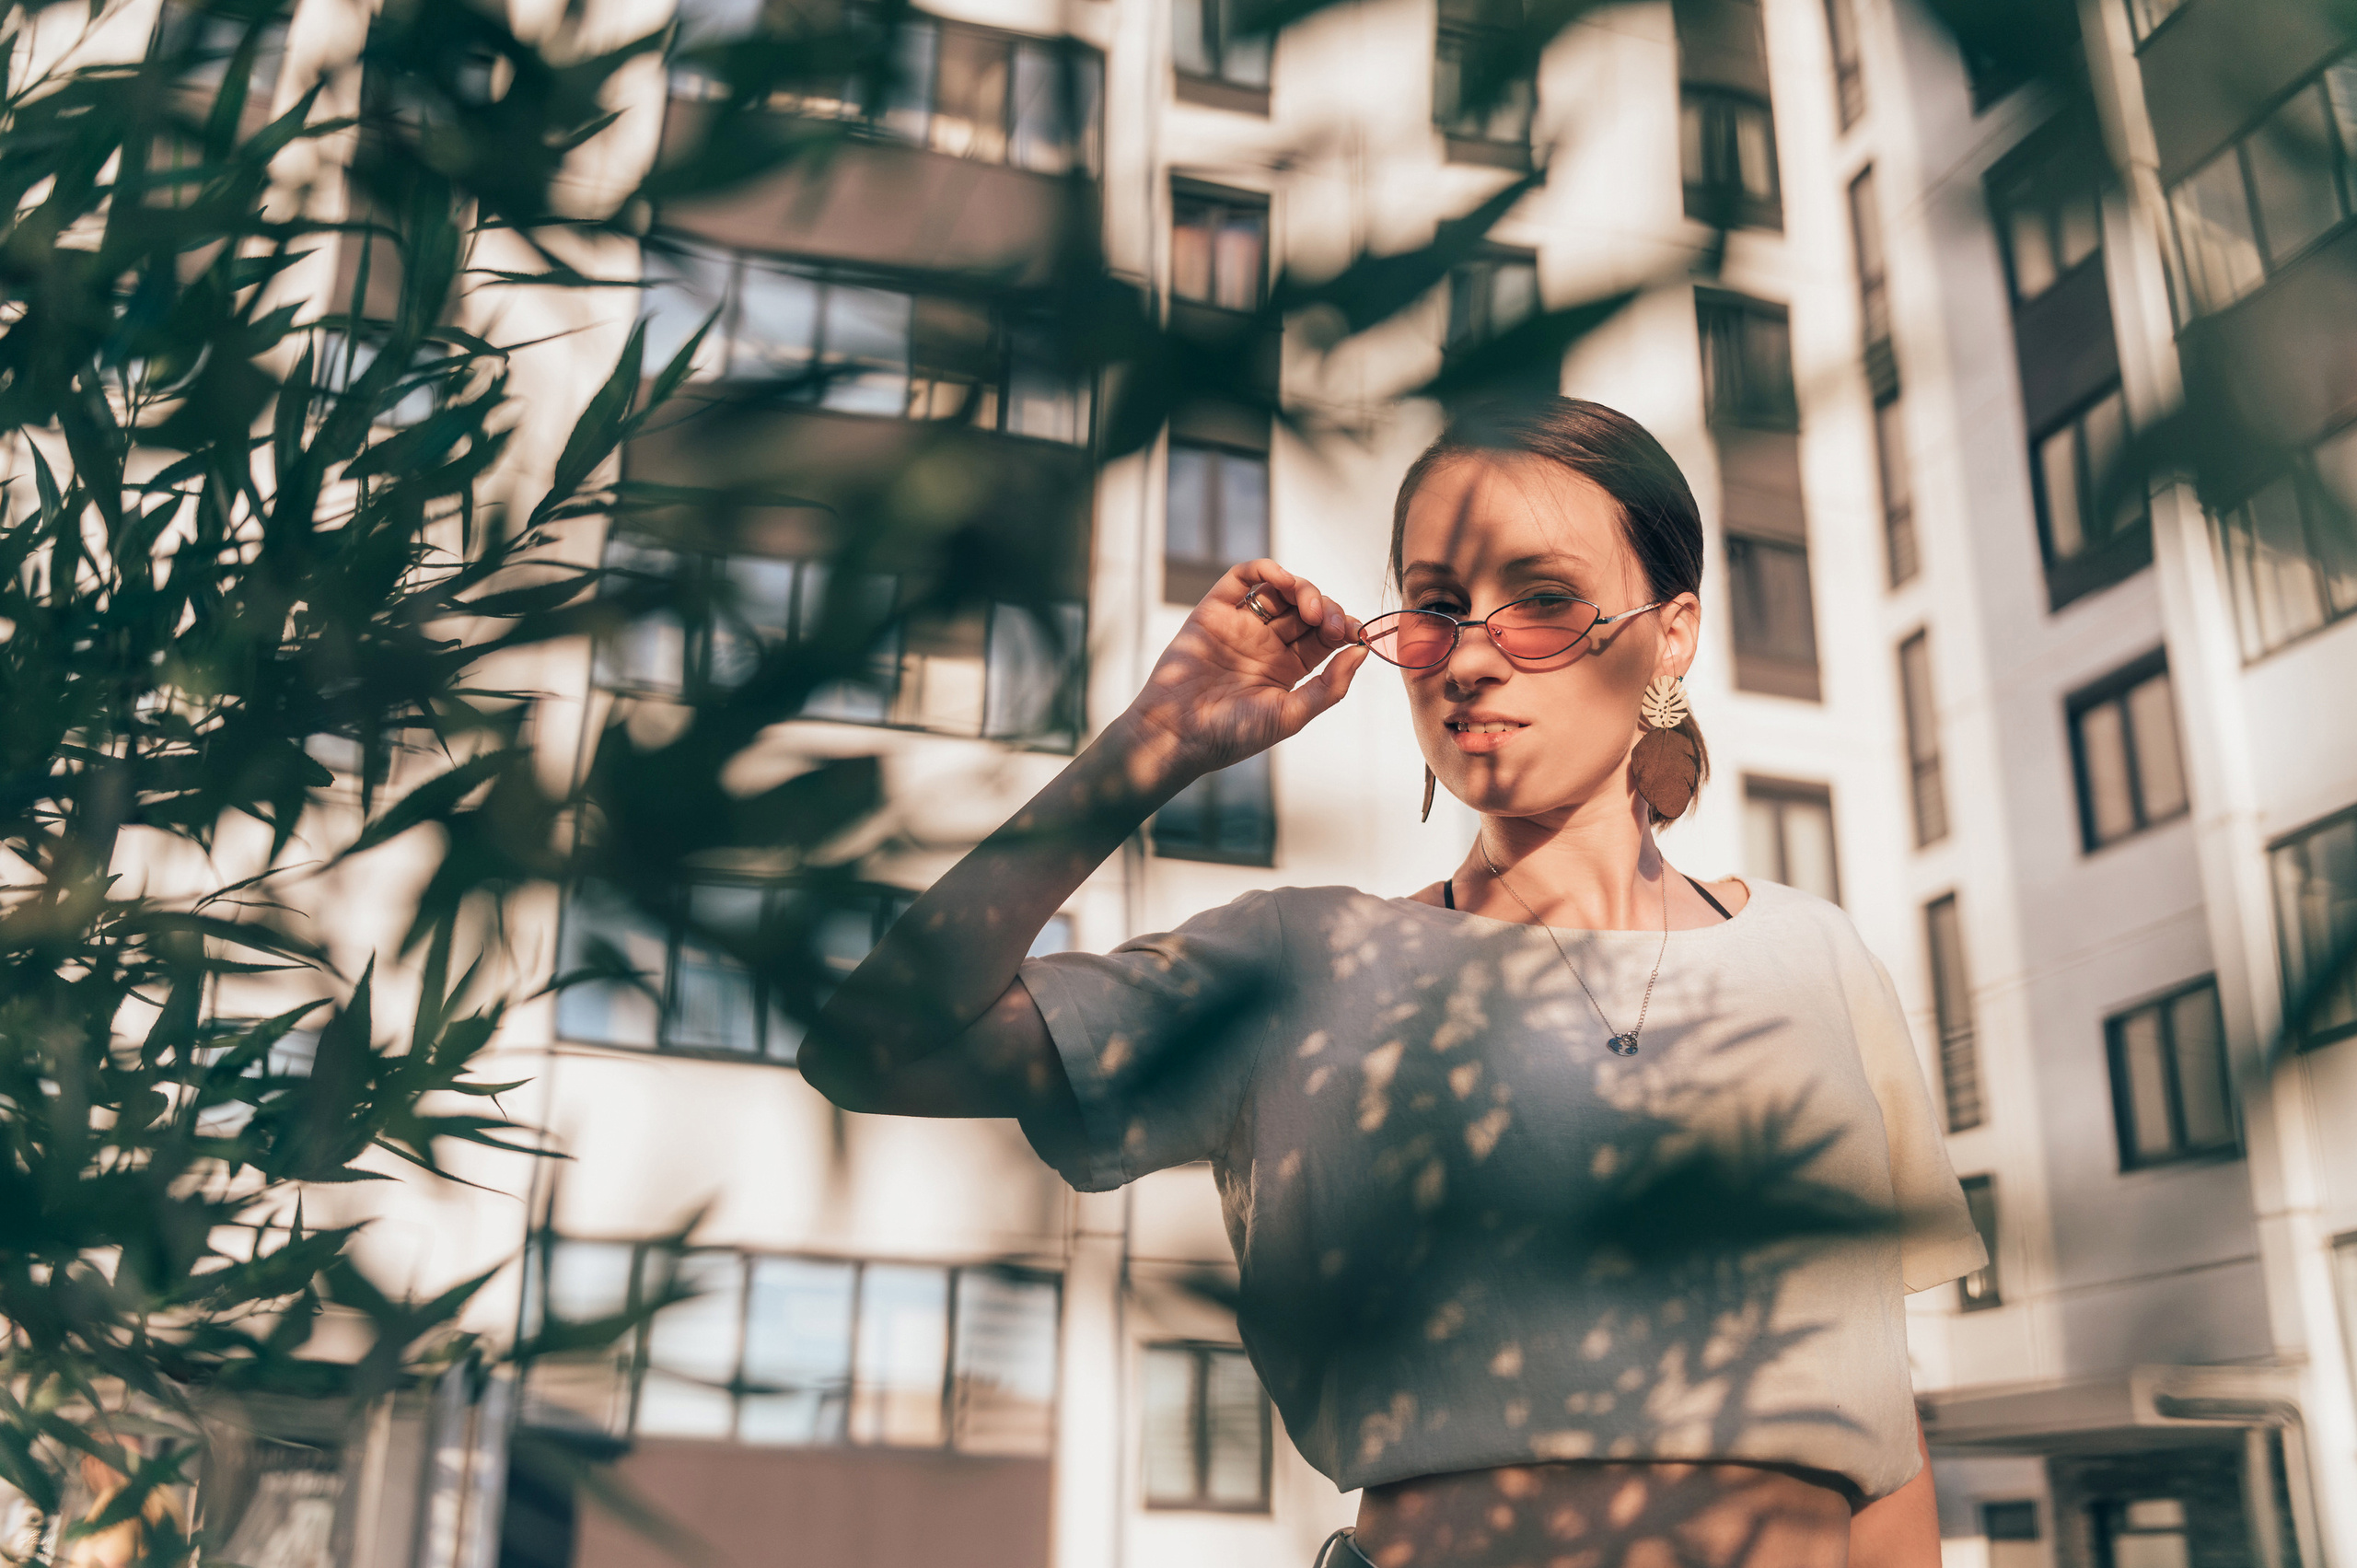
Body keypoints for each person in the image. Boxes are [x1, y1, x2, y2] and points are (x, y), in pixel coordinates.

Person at [803, 398, 1985, 1568]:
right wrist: (1151, 745)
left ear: (1669, 632)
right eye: (1435, 607)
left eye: (1542, 600)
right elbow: (879, 1046)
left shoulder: (1817, 955)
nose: (1470, 653)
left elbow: (1882, 1434)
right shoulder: (1303, 964)